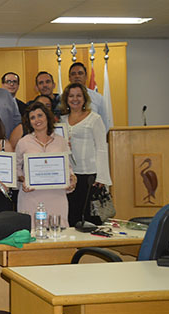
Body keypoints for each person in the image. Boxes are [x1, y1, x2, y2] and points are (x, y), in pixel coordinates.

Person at [16, 102, 77, 228]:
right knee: (32, 237)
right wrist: (23, 180)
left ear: (47, 117)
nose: (37, 120)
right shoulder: (23, 142)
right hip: (31, 197)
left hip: (56, 196)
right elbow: (16, 168)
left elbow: (68, 167)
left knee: (59, 235)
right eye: (32, 117)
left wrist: (72, 178)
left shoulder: (61, 141)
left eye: (40, 115)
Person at [59, 83, 111, 226]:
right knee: (72, 216)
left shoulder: (94, 119)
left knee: (89, 219)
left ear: (84, 98)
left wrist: (102, 176)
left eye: (78, 95)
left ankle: (90, 247)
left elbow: (102, 148)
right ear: (66, 99)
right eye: (71, 96)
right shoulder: (61, 121)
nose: (75, 99)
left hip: (89, 175)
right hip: (69, 176)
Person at [69, 62, 112, 132]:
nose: (77, 76)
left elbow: (105, 125)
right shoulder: (63, 98)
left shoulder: (98, 98)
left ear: (86, 77)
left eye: (80, 73)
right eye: (73, 74)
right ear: (69, 78)